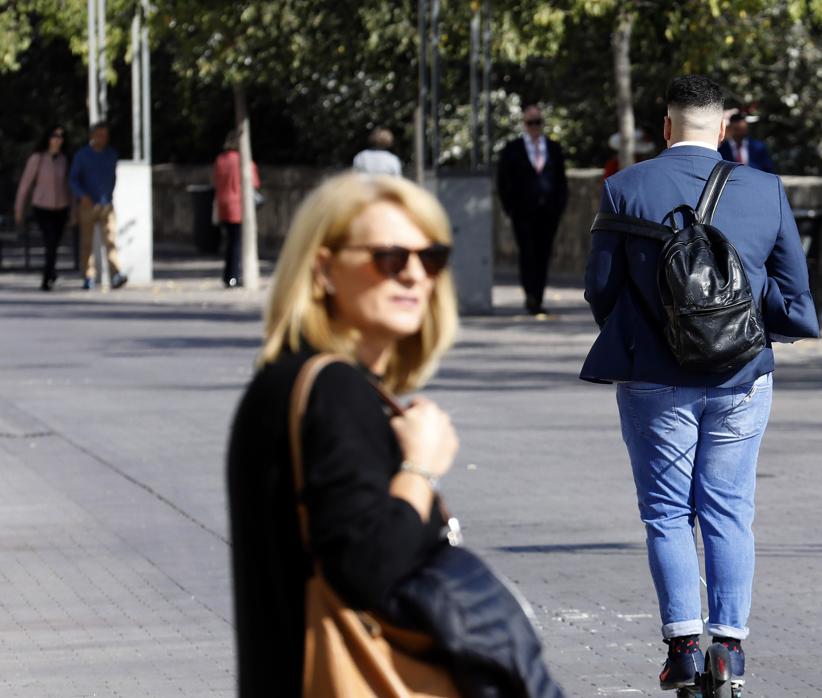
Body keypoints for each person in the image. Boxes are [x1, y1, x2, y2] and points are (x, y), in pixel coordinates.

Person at [582, 75, 819, 692]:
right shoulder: (764, 190)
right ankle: (730, 653)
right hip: (742, 376)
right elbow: (793, 289)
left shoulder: (624, 188)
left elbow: (600, 290)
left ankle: (684, 648)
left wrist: (645, 328)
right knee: (729, 510)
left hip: (653, 378)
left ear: (665, 127)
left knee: (666, 512)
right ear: (721, 128)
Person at [227, 173, 460, 694]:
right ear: (324, 271)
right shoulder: (333, 391)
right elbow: (367, 569)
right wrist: (420, 466)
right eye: (390, 258)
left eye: (433, 258)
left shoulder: (289, 382)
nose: (415, 276)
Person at [497, 103, 568, 315]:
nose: (534, 127)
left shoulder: (553, 148)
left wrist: (559, 206)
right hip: (523, 212)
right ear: (524, 124)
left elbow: (561, 181)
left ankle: (538, 295)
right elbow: (503, 181)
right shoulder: (513, 149)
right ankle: (530, 296)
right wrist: (510, 208)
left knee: (543, 254)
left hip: (548, 213)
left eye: (538, 122)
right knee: (527, 254)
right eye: (530, 123)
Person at [14, 125, 72, 291]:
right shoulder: (37, 158)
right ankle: (48, 277)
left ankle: (51, 271)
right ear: (48, 138)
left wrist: (73, 211)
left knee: (55, 243)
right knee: (50, 242)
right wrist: (19, 209)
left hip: (61, 207)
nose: (57, 139)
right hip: (42, 207)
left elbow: (69, 187)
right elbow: (25, 185)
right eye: (54, 135)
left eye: (61, 136)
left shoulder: (64, 159)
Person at [69, 121, 125, 290]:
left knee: (110, 240)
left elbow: (113, 177)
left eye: (105, 135)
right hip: (87, 204)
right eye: (100, 135)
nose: (103, 138)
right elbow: (73, 179)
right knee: (87, 242)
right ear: (92, 136)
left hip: (106, 203)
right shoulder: (82, 155)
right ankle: (88, 276)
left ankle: (116, 274)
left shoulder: (111, 154)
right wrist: (81, 195)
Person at [212, 130, 261, 288]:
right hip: (239, 205)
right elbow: (254, 184)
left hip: (223, 204)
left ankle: (228, 276)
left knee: (230, 241)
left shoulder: (220, 160)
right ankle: (233, 276)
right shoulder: (244, 161)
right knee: (237, 243)